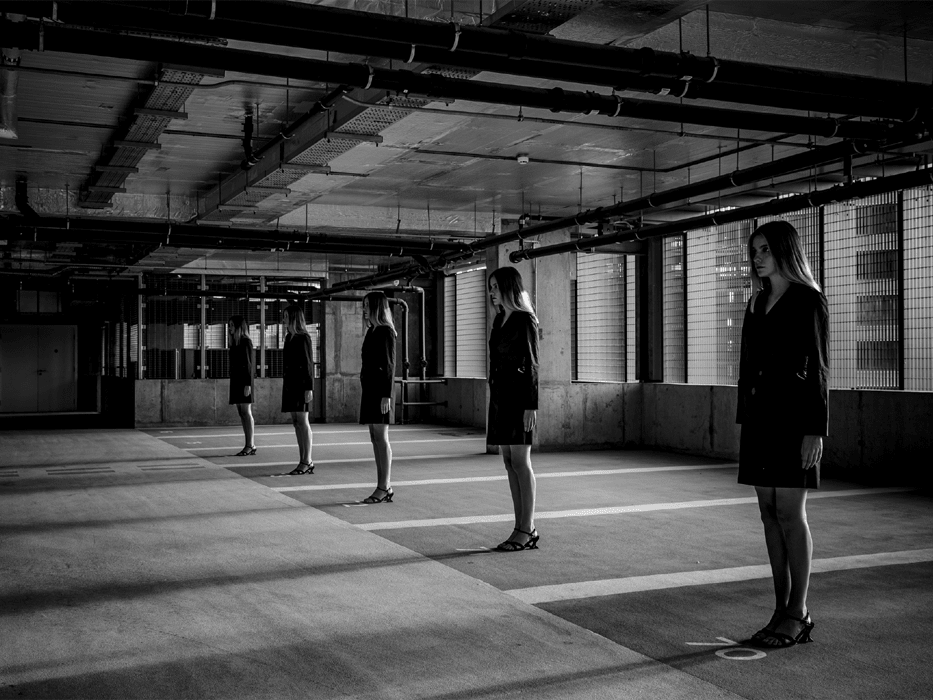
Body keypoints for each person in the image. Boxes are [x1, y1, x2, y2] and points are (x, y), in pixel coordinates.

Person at [736, 220, 829, 648]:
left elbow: (819, 370)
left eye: (764, 251)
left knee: (791, 515)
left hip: (794, 422)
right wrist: (745, 420)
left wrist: (815, 429)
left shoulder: (808, 300)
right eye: (754, 251)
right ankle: (779, 609)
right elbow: (745, 367)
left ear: (784, 252)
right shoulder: (754, 304)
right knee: (768, 513)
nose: (756, 258)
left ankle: (799, 611)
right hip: (760, 423)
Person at [487, 266, 540, 552]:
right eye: (490, 287)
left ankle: (527, 528)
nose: (492, 292)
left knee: (521, 462)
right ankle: (520, 526)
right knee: (508, 462)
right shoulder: (499, 321)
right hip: (501, 399)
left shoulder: (524, 320)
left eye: (496, 286)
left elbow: (532, 365)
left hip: (520, 400)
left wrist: (531, 405)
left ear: (509, 287)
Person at [358, 292, 398, 504]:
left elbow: (390, 366)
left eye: (367, 305)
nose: (364, 309)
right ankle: (382, 485)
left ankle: (384, 486)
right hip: (370, 389)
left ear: (376, 307)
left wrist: (386, 395)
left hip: (381, 391)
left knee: (381, 438)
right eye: (363, 305)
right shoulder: (371, 331)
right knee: (374, 437)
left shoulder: (385, 332)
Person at [282, 304, 315, 475]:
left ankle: (307, 460)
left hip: (301, 385)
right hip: (290, 384)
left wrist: (309, 387)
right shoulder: (289, 337)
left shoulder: (304, 338)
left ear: (294, 317)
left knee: (303, 422)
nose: (284, 319)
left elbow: (309, 364)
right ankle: (302, 458)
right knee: (296, 422)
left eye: (286, 316)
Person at [228, 315, 256, 456]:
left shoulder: (245, 342)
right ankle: (250, 444)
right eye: (229, 325)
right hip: (236, 381)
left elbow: (249, 365)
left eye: (232, 325)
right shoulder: (235, 342)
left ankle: (250, 444)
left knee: (246, 412)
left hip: (244, 382)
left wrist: (248, 384)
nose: (230, 328)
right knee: (241, 413)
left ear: (239, 327)